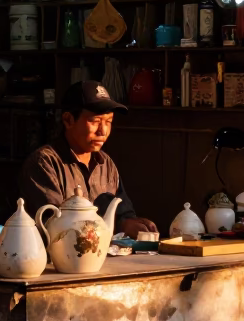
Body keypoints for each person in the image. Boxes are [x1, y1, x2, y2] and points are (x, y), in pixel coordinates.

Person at [18, 81, 158, 239]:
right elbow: (55, 226)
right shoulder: (45, 163)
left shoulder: (106, 164)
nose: (103, 131)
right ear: (68, 120)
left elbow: (124, 213)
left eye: (108, 122)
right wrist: (118, 226)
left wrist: (131, 224)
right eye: (95, 121)